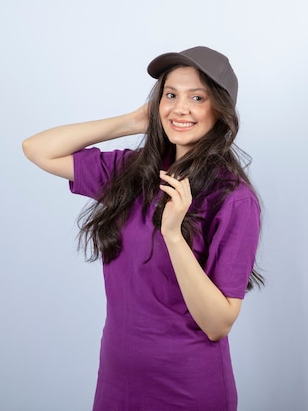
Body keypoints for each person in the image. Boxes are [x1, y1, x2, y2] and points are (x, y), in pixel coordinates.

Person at [22, 46, 263, 411]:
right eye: (170, 95)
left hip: (188, 388)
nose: (180, 108)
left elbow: (218, 323)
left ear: (221, 110)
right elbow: (38, 149)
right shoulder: (133, 172)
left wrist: (173, 235)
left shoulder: (233, 198)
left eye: (197, 98)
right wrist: (135, 121)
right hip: (118, 382)